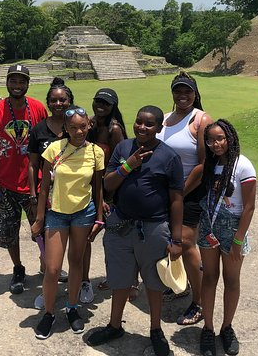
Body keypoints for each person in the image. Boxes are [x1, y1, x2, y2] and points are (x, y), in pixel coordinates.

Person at [87, 105, 184, 356]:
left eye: (149, 124)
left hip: (153, 227)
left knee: (153, 282)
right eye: (139, 121)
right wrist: (127, 166)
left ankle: (155, 330)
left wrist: (177, 239)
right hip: (121, 224)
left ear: (159, 128)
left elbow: (176, 200)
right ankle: (115, 324)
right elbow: (108, 184)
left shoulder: (168, 157)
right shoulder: (123, 148)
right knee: (120, 279)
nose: (142, 127)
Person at [31, 106, 105, 339]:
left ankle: (72, 308)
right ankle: (50, 313)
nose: (78, 131)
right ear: (65, 128)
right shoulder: (54, 149)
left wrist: (99, 218)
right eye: (72, 127)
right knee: (52, 269)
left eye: (83, 126)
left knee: (76, 263)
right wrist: (39, 218)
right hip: (57, 213)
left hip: (83, 212)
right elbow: (44, 188)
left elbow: (98, 187)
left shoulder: (95, 152)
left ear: (89, 126)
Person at [0, 64, 48, 295]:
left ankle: (47, 263)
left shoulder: (37, 108)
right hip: (6, 184)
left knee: (42, 228)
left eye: (22, 81)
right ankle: (18, 268)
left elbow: (46, 144)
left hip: (34, 183)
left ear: (28, 84)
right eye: (13, 81)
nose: (17, 86)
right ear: (7, 82)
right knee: (9, 231)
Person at [194, 119, 257, 356]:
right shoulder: (210, 165)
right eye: (210, 140)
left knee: (231, 280)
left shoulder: (243, 166)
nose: (216, 144)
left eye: (220, 138)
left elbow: (249, 207)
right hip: (209, 226)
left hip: (233, 230)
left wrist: (239, 240)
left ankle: (227, 327)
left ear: (230, 138)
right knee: (209, 278)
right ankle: (208, 328)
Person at [158, 71, 213, 326]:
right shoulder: (165, 118)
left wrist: (180, 191)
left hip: (189, 191)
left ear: (195, 93)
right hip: (164, 191)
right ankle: (179, 284)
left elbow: (203, 164)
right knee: (168, 240)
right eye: (178, 91)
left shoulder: (200, 119)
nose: (182, 95)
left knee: (187, 244)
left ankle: (200, 302)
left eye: (187, 91)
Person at [27, 77, 74, 309]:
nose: (58, 104)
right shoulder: (39, 130)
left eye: (62, 100)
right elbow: (32, 164)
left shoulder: (77, 126)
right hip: (47, 195)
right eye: (54, 100)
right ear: (48, 102)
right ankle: (48, 287)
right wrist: (34, 196)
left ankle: (79, 284)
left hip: (73, 195)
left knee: (76, 244)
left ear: (70, 102)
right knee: (47, 244)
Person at [85, 88, 128, 301]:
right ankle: (114, 277)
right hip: (93, 186)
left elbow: (121, 164)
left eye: (106, 103)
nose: (101, 106)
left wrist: (107, 197)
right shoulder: (91, 124)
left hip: (112, 190)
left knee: (116, 238)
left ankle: (129, 281)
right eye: (98, 101)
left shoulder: (114, 129)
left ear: (113, 107)